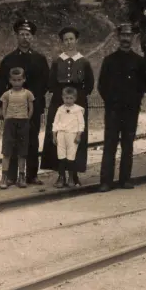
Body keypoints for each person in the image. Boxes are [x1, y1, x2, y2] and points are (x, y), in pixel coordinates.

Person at [0, 19, 50, 185]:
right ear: (17, 37)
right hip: (13, 108)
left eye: (28, 34)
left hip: (33, 108)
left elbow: (46, 83)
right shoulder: (8, 60)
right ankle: (12, 176)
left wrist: (33, 100)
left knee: (32, 140)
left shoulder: (40, 59)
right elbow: (1, 85)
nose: (25, 37)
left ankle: (32, 175)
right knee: (13, 141)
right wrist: (0, 107)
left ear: (32, 37)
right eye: (22, 34)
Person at [41, 26, 95, 187]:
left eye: (71, 39)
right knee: (59, 136)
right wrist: (61, 96)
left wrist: (78, 97)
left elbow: (89, 84)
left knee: (76, 136)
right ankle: (61, 175)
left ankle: (74, 175)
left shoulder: (84, 61)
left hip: (78, 101)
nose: (69, 42)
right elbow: (51, 83)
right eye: (66, 40)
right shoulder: (57, 61)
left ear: (76, 40)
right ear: (62, 42)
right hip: (59, 101)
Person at [97, 22, 146, 191]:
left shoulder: (139, 61)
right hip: (113, 110)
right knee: (110, 145)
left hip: (131, 110)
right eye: (123, 35)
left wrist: (134, 101)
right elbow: (102, 85)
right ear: (119, 37)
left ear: (132, 38)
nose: (126, 38)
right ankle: (106, 181)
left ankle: (125, 179)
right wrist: (111, 102)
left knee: (128, 145)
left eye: (129, 35)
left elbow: (143, 85)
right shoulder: (109, 60)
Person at [0, 67, 35, 189]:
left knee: (22, 152)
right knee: (7, 151)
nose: (16, 82)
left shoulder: (28, 93)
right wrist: (7, 119)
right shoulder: (7, 94)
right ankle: (4, 177)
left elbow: (31, 108)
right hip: (10, 123)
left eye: (19, 80)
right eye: (14, 80)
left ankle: (21, 176)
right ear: (10, 80)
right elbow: (4, 108)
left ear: (24, 79)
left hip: (23, 122)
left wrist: (26, 119)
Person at [51, 87, 85, 188]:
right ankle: (61, 177)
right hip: (61, 134)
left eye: (71, 98)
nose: (68, 100)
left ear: (75, 98)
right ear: (62, 97)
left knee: (71, 157)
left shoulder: (78, 110)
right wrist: (54, 135)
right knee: (61, 156)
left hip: (72, 134)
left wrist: (78, 135)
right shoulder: (60, 109)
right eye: (66, 98)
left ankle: (71, 178)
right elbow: (55, 122)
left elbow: (81, 124)